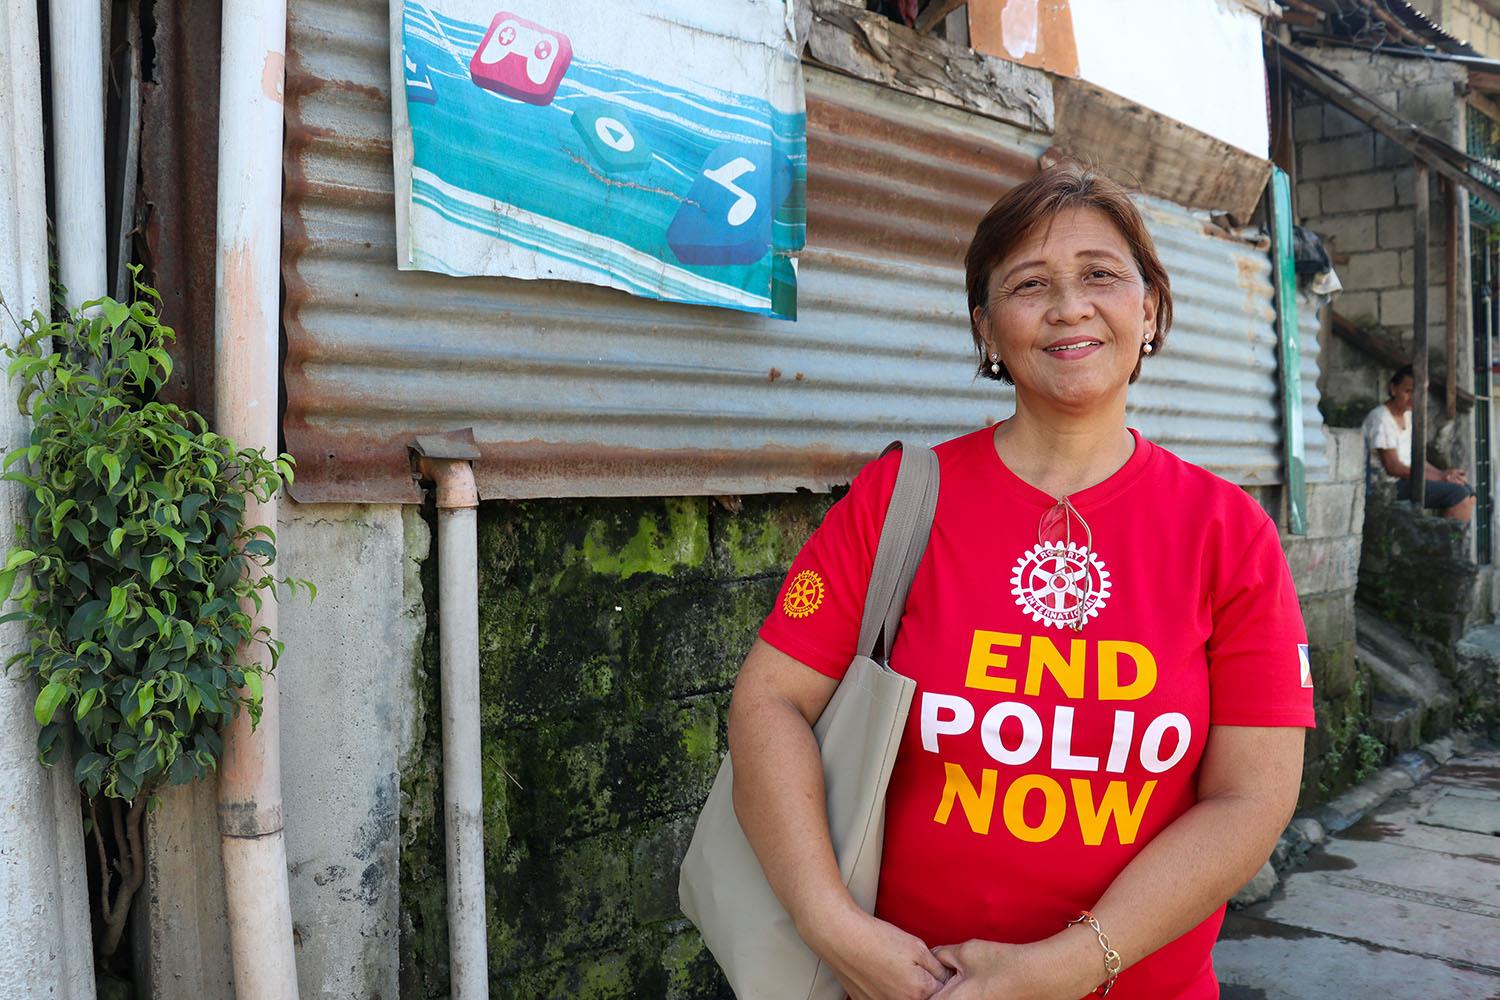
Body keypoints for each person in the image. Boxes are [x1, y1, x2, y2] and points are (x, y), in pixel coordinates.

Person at [725, 163, 1314, 1000]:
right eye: (1030, 284)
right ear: (988, 330)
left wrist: (1069, 966)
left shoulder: (1229, 534)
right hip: (906, 984)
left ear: (1149, 308)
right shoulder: (900, 499)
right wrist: (831, 924)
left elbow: (1252, 798)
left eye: (1100, 275)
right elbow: (769, 701)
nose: (1069, 306)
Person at [1362, 366, 1474, 520]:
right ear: (1393, 389)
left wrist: (1445, 474)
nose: (1414, 397)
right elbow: (1394, 468)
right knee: (1458, 494)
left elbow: (1417, 460)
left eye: (1420, 392)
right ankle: (1445, 536)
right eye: (1408, 391)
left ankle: (1449, 534)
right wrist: (1441, 478)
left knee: (1469, 491)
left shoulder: (1408, 416)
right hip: (1387, 485)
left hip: (1406, 479)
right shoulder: (1381, 419)